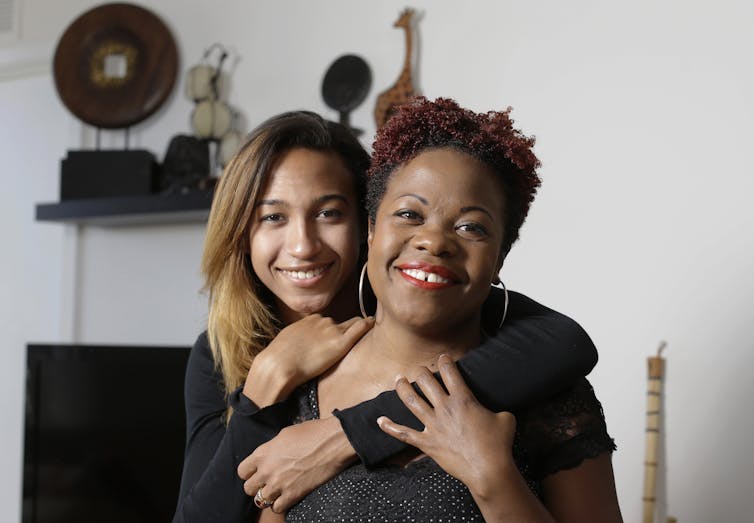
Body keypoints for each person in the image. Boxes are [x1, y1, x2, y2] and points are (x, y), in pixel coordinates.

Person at [173, 110, 601, 522]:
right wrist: (261, 394)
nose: (302, 245)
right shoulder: (224, 353)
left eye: (329, 213)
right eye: (273, 217)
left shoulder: (440, 300)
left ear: (364, 225)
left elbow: (567, 343)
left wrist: (347, 433)